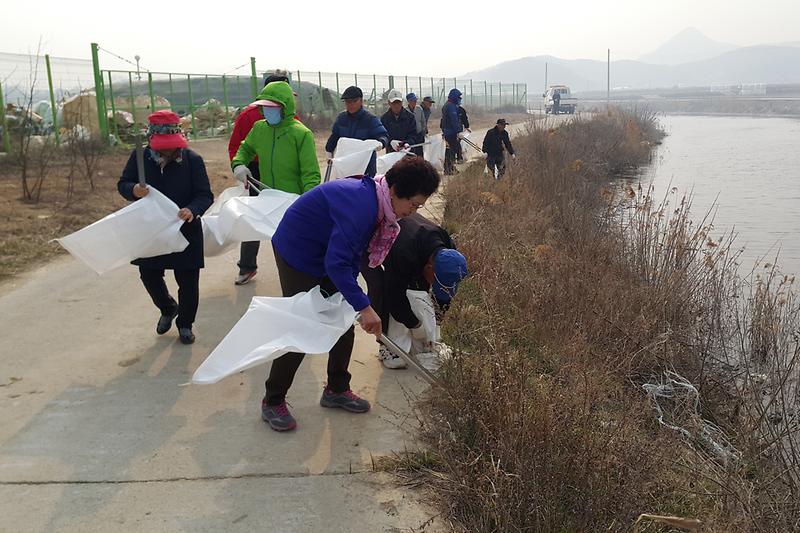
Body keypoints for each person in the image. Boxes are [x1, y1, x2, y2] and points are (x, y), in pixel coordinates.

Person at [262, 157, 441, 431]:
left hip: (325, 250)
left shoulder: (381, 201)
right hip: (298, 252)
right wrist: (364, 305)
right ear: (395, 191)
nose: (413, 211)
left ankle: (336, 388)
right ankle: (273, 400)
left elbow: (352, 253)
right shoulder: (362, 206)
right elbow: (337, 263)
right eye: (413, 204)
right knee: (304, 326)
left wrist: (360, 302)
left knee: (342, 320)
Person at [117, 110, 214, 345]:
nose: (168, 152)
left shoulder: (192, 161)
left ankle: (185, 324)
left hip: (185, 229)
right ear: (152, 141)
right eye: (163, 147)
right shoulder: (140, 158)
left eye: (172, 147)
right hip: (151, 230)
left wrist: (192, 209)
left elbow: (205, 195)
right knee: (148, 274)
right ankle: (168, 307)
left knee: (188, 281)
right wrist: (133, 190)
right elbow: (123, 183)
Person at [229, 81, 321, 285]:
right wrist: (238, 164)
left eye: (272, 107)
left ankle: (306, 289)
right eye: (265, 107)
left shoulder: (301, 134)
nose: (267, 111)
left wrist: (308, 204)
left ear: (285, 106)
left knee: (297, 250)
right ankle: (290, 289)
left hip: (294, 203)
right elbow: (245, 149)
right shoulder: (259, 128)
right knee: (279, 246)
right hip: (268, 201)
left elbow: (310, 174)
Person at [365, 213, 468, 369]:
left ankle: (419, 343)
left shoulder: (449, 252)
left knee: (418, 294)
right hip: (369, 237)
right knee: (379, 287)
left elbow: (445, 295)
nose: (436, 285)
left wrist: (436, 323)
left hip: (412, 242)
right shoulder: (404, 254)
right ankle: (386, 345)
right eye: (436, 280)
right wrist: (416, 325)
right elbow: (396, 300)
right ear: (428, 266)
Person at [326, 86, 389, 176]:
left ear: (361, 101)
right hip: (346, 168)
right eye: (347, 102)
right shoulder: (341, 118)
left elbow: (383, 135)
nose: (351, 105)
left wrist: (381, 143)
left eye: (354, 101)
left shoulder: (370, 119)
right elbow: (334, 136)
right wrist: (329, 151)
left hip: (366, 169)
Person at [381, 89, 417, 154]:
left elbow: (413, 135)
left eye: (398, 102)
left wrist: (407, 143)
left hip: (407, 152)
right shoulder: (384, 118)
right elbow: (383, 135)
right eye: (394, 103)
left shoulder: (410, 117)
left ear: (402, 102)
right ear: (389, 103)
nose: (396, 105)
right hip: (391, 153)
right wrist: (390, 142)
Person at [441, 89, 464, 175]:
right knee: (451, 151)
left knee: (450, 151)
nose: (459, 99)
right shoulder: (450, 106)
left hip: (447, 132)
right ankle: (448, 169)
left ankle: (450, 167)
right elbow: (454, 120)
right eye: (458, 97)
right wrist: (458, 131)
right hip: (451, 133)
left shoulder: (447, 105)